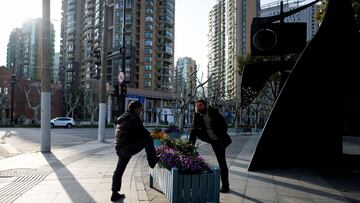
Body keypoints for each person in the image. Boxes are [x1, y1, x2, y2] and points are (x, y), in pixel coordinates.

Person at [111, 100, 159, 201]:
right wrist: (151, 135)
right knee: (148, 139)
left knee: (119, 170)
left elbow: (133, 132)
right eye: (140, 109)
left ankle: (114, 193)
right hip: (126, 147)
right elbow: (144, 133)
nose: (141, 111)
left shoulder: (125, 116)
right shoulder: (133, 118)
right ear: (136, 109)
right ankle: (152, 161)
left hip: (120, 148)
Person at [189, 99, 232, 193]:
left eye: (200, 105)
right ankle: (189, 148)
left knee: (222, 162)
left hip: (219, 141)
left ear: (205, 105)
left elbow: (224, 125)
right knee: (193, 131)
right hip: (210, 138)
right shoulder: (199, 115)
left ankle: (225, 186)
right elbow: (195, 126)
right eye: (197, 106)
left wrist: (220, 139)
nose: (198, 107)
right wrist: (196, 114)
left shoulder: (213, 112)